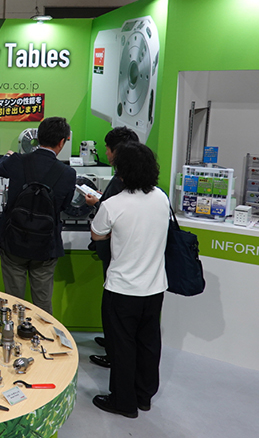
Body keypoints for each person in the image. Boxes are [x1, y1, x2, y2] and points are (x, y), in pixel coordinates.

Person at [90, 141, 169, 419]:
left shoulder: (113, 205)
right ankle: (144, 396)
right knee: (149, 344)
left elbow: (97, 234)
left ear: (122, 172)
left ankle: (123, 402)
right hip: (154, 287)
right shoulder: (161, 198)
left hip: (122, 289)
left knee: (122, 347)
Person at [0, 117, 76, 314]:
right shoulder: (67, 173)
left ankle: (11, 331)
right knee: (42, 304)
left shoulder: (17, 161)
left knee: (13, 301)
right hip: (45, 246)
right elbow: (64, 206)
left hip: (13, 241)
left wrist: (8, 156)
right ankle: (43, 332)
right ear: (62, 142)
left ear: (38, 138)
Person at [84, 126, 139, 367]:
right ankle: (112, 342)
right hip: (132, 256)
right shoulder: (146, 187)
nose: (105, 153)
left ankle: (114, 352)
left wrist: (98, 203)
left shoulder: (119, 181)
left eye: (107, 148)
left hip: (115, 251)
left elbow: (103, 226)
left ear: (117, 151)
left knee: (113, 306)